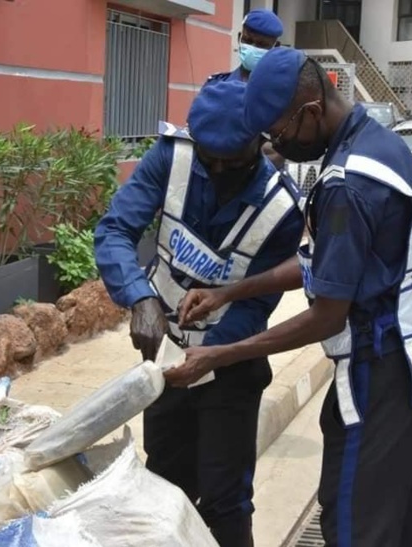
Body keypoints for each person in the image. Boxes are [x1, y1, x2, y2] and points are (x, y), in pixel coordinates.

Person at [170, 47, 412, 547]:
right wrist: (228, 291)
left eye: (279, 133)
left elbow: (327, 316)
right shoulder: (380, 145)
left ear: (312, 111)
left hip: (381, 373)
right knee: (390, 528)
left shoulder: (347, 185)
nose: (276, 146)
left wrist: (219, 354)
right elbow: (325, 266)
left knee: (354, 529)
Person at [93, 79, 304, 547]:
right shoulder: (171, 158)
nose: (222, 169)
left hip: (231, 366)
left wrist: (209, 358)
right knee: (164, 488)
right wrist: (141, 298)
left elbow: (256, 303)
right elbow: (114, 231)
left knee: (226, 500)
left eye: (235, 159)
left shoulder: (282, 210)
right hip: (165, 360)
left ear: (260, 141)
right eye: (212, 158)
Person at [205, 8, 286, 170]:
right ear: (239, 38)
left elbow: (276, 153)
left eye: (261, 45)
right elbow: (200, 136)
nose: (252, 48)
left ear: (275, 47)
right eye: (248, 40)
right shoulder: (216, 86)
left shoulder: (282, 95)